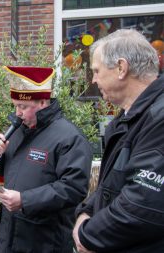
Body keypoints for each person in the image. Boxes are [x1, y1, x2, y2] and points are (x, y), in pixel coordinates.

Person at [73, 29, 164, 253]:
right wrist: (86, 211)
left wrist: (87, 235)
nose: (93, 79)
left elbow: (142, 203)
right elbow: (109, 184)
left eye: (96, 70)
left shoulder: (158, 118)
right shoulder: (130, 118)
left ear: (121, 68)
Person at [0, 66, 92, 252]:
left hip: (44, 240)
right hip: (9, 234)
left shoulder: (70, 137)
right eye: (15, 105)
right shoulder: (19, 131)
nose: (17, 113)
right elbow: (14, 172)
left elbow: (73, 188)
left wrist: (24, 200)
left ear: (43, 103)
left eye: (23, 106)